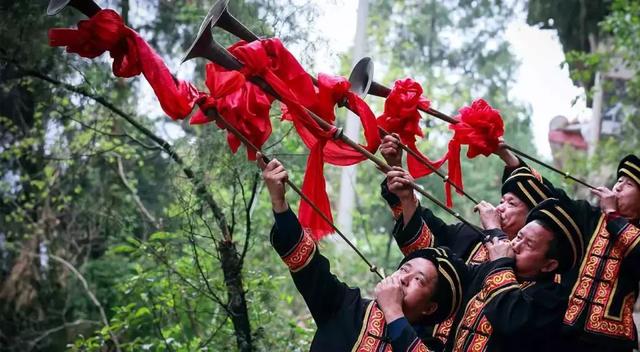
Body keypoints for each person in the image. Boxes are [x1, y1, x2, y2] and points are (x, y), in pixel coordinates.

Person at [259, 154, 466, 351]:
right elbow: (308, 266)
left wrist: (393, 311)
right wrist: (279, 203)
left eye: (418, 280)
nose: (403, 279)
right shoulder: (346, 307)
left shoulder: (432, 346)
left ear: (429, 308)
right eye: (405, 269)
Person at [380, 135, 555, 347]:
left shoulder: (543, 280)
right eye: (501, 201)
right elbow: (423, 252)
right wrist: (400, 179)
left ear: (532, 218)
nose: (500, 208)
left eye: (511, 203)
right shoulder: (470, 236)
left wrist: (494, 230)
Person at [501, 152, 640, 352]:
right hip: (565, 329)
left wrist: (612, 214)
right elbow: (550, 194)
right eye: (619, 180)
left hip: (612, 340)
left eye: (628, 184)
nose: (617, 186)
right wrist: (508, 158)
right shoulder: (589, 216)